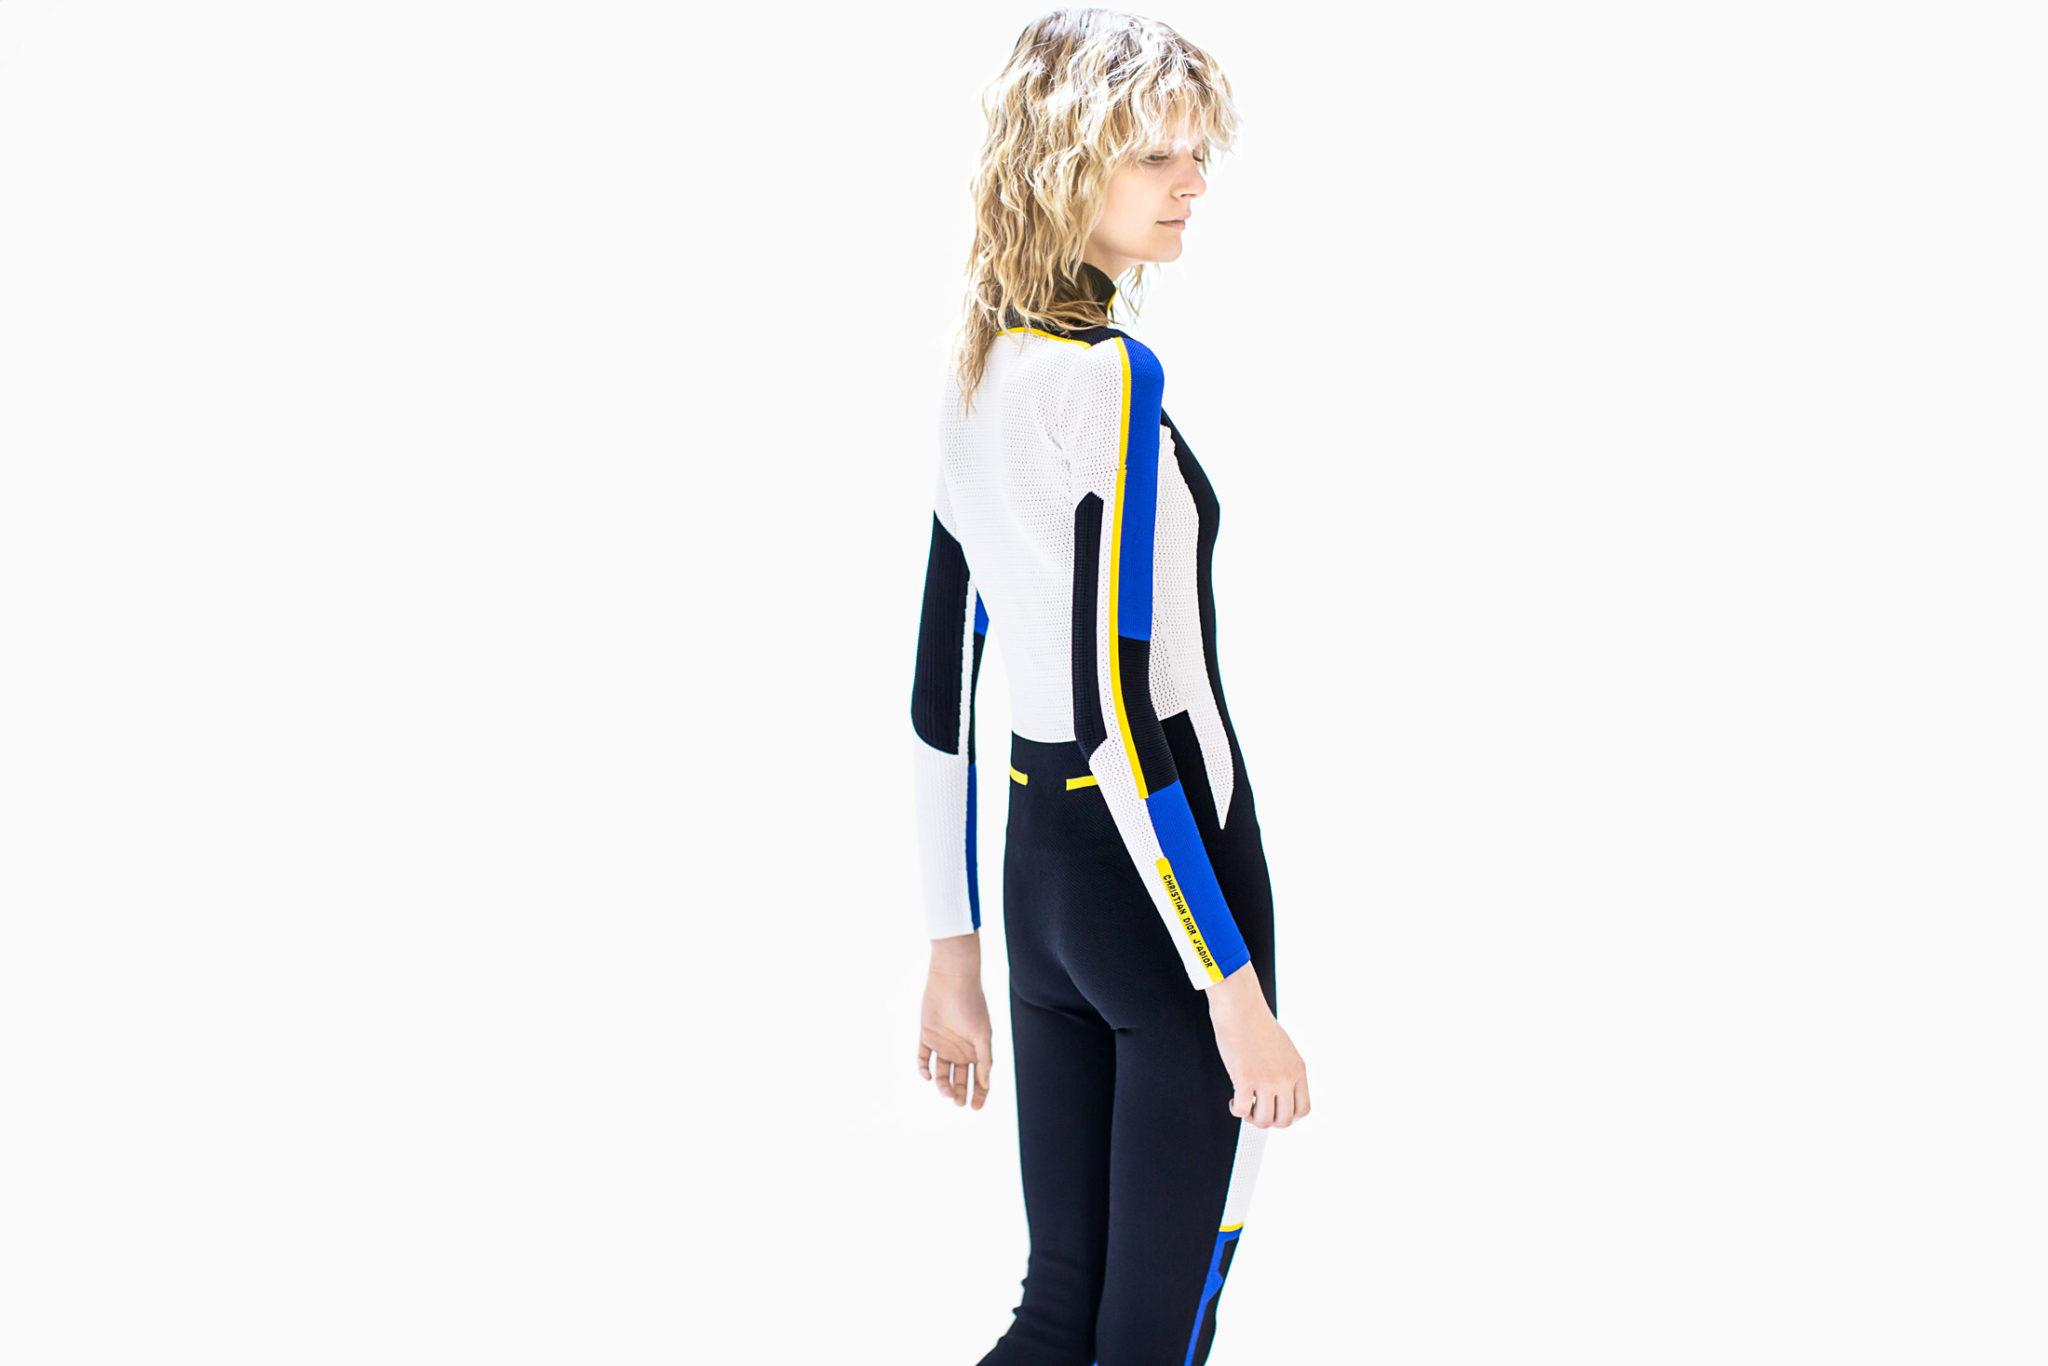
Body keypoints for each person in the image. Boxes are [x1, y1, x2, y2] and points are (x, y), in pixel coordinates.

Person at [906, 10, 1311, 1364]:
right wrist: (1233, 989)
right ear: (1066, 164)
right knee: (1152, 1336)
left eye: (1198, 152)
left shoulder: (975, 368)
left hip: (1043, 879)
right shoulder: (1112, 379)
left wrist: (954, 946)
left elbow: (937, 689)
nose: (1193, 180)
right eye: (1153, 155)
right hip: (1170, 879)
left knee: (1057, 1313)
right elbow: (1123, 714)